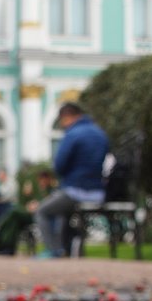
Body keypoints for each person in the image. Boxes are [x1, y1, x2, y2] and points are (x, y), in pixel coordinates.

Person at [34, 102, 109, 258]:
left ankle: (53, 250)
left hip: (76, 191)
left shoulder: (73, 134)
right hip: (98, 192)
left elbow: (59, 166)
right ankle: (63, 248)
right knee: (60, 210)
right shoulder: (100, 133)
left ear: (66, 117)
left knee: (42, 211)